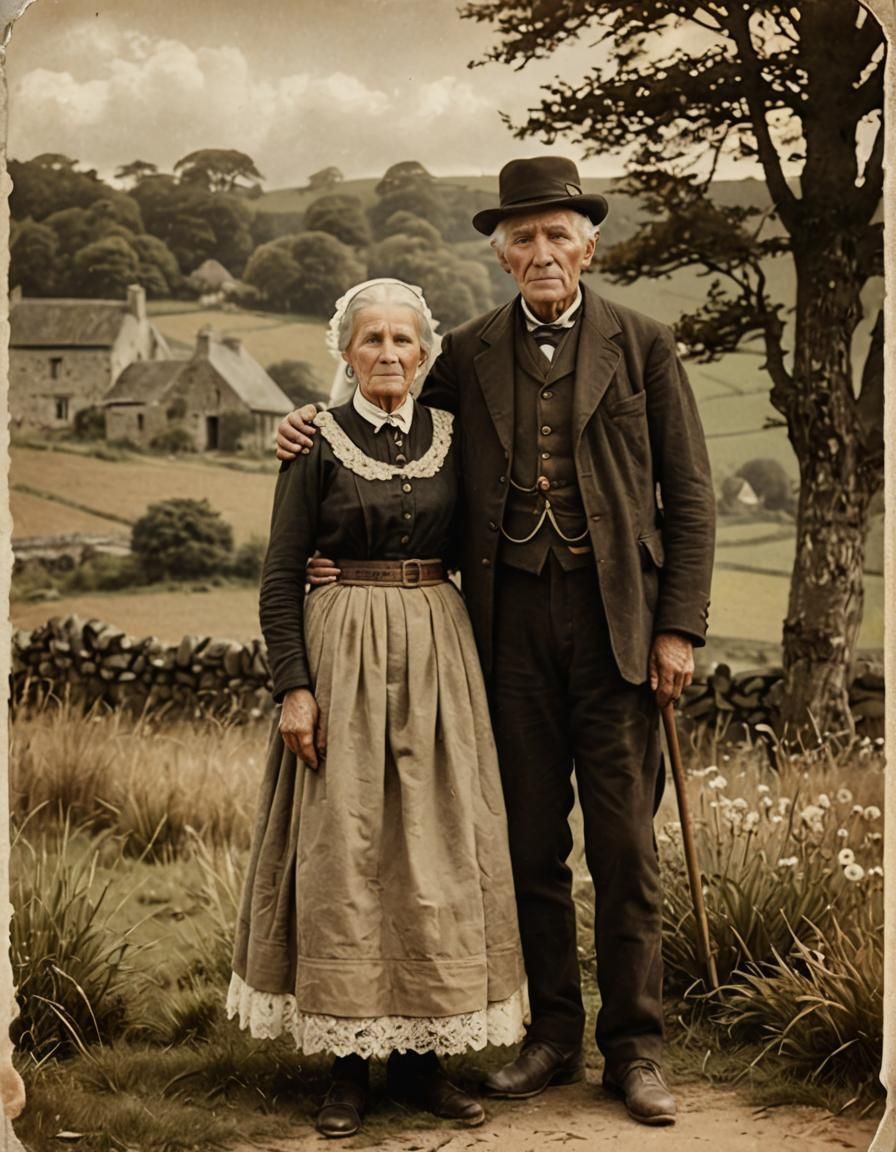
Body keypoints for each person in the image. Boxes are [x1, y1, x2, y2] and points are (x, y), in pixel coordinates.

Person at [276, 157, 716, 1127]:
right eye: (522, 238)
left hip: (618, 633)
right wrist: (300, 428)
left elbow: (687, 496)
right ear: (501, 254)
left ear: (587, 244)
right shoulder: (465, 353)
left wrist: (677, 626)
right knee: (524, 848)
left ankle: (634, 1049)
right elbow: (381, 437)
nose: (540, 252)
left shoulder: (642, 346)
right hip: (500, 634)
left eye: (557, 234)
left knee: (624, 849)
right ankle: (550, 1036)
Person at [229, 278, 528, 1139]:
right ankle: (348, 1071)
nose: (389, 354)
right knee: (346, 853)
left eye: (404, 341)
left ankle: (425, 1066)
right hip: (342, 656)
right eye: (372, 341)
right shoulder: (314, 441)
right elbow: (282, 573)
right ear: (346, 354)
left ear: (426, 355)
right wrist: (294, 687)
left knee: (433, 852)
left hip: (438, 653)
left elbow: (485, 545)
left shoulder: (457, 439)